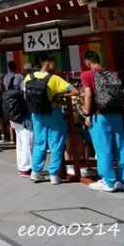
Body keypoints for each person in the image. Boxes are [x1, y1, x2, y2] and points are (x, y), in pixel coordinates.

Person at [23, 54, 78, 184]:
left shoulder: (28, 77)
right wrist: (59, 95)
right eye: (54, 63)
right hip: (53, 112)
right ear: (47, 64)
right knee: (56, 143)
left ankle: (36, 172)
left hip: (36, 114)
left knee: (39, 142)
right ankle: (54, 174)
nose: (55, 65)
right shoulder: (54, 79)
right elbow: (75, 91)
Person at [81, 50, 124, 192]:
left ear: (87, 62)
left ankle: (108, 181)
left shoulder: (87, 74)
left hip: (99, 115)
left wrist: (87, 114)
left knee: (103, 148)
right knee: (121, 146)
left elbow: (88, 95)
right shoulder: (111, 74)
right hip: (116, 114)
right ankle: (123, 179)